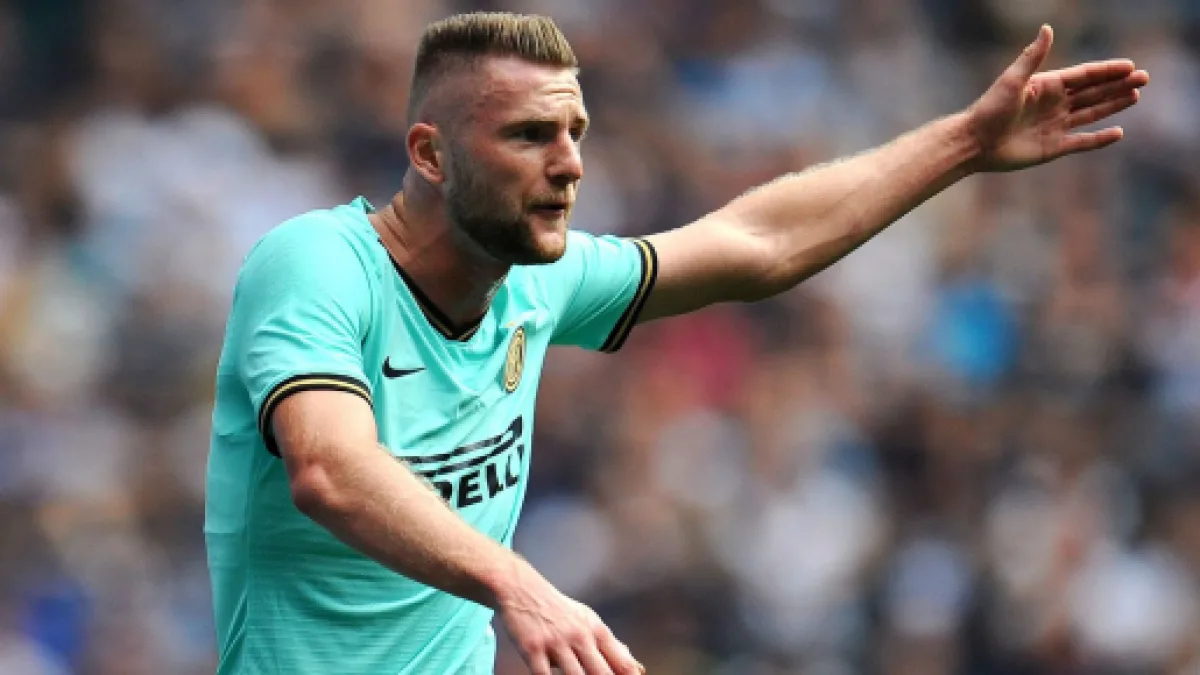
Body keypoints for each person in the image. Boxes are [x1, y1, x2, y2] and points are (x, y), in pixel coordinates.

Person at [203, 11, 1149, 675]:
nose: (569, 164)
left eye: (575, 131)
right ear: (430, 154)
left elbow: (757, 244)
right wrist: (515, 582)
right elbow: (328, 469)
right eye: (530, 135)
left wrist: (965, 144)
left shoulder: (536, 281)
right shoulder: (316, 262)